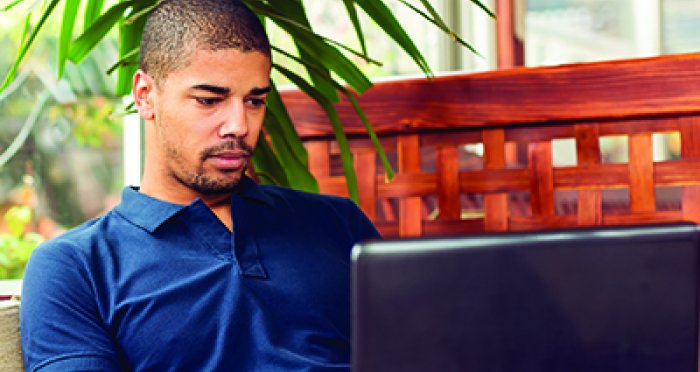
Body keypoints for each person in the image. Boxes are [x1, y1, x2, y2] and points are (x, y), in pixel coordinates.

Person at [20, 0, 380, 370]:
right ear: (145, 95)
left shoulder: (337, 224)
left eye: (255, 101)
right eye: (209, 100)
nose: (239, 126)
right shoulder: (77, 267)